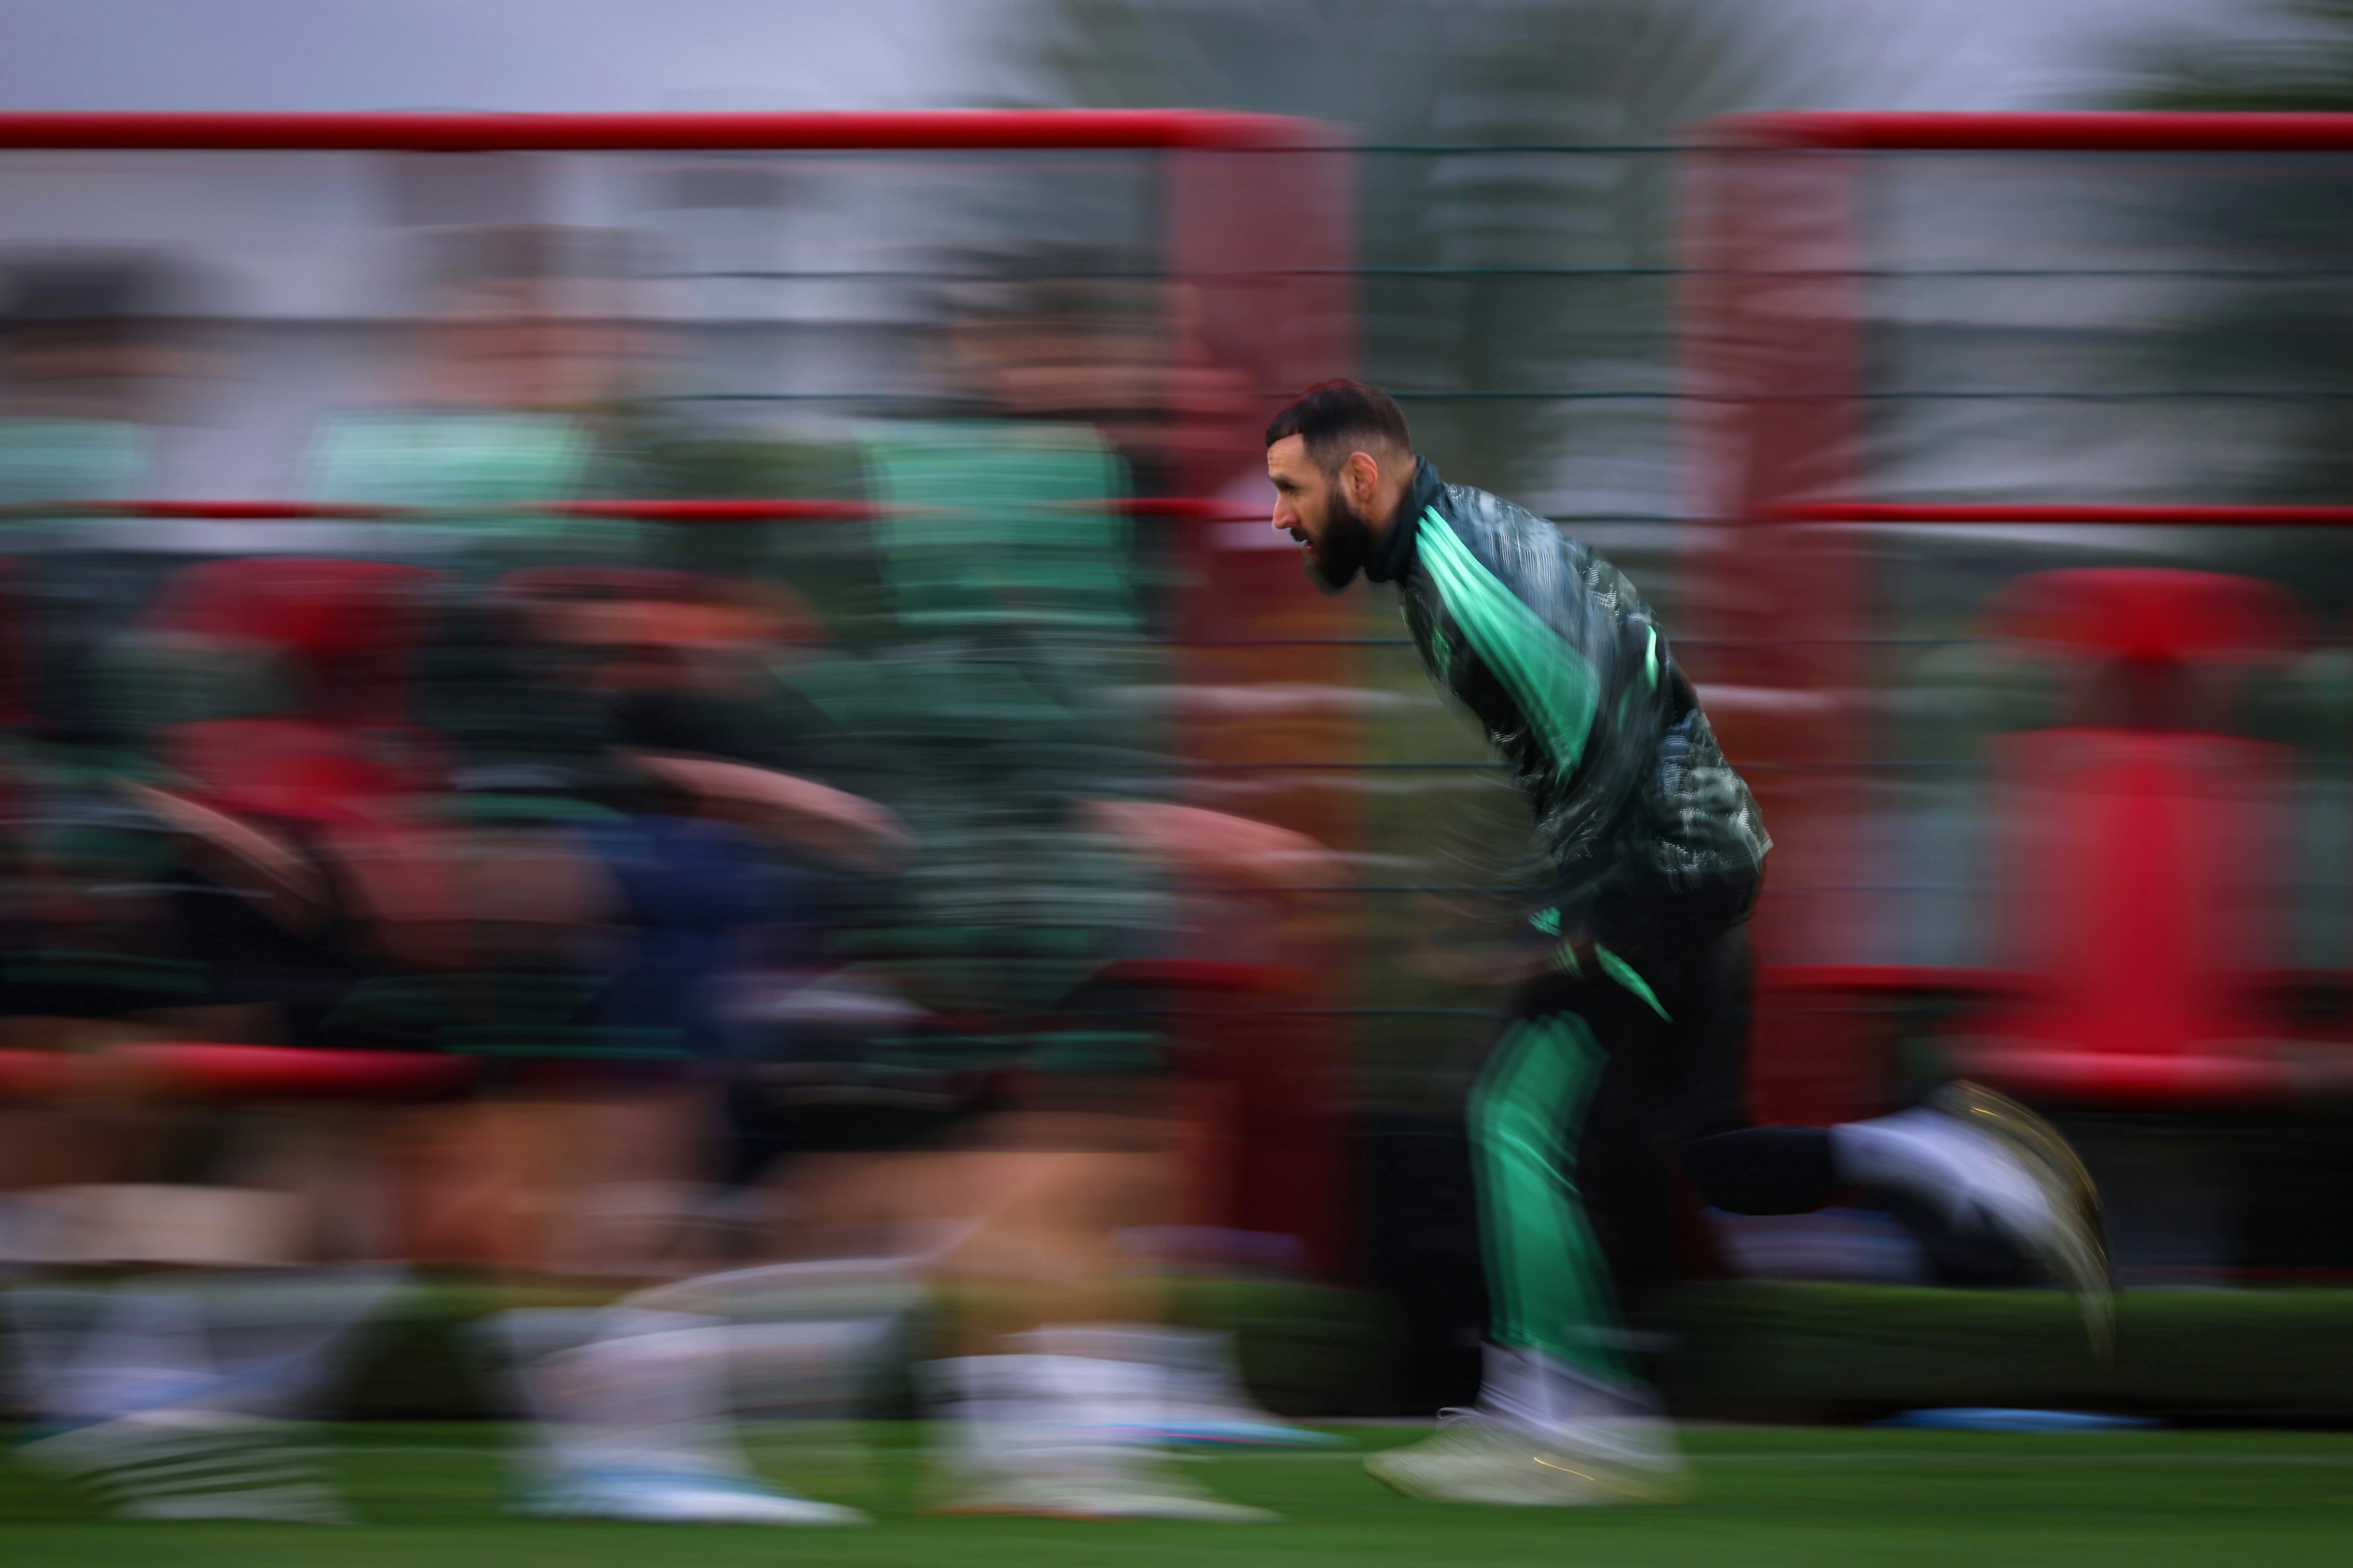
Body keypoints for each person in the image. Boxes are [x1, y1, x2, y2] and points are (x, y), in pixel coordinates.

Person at [1260, 380, 2110, 1506]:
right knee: (1716, 1157)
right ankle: (1960, 1158)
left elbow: (1598, 725)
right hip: (1690, 858)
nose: (1278, 518)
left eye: (1288, 489)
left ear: (1357, 476)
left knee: (1512, 1113)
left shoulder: (1458, 568)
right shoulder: (1457, 546)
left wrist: (1546, 912)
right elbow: (1579, 723)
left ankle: (1568, 1413)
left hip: (1652, 872)